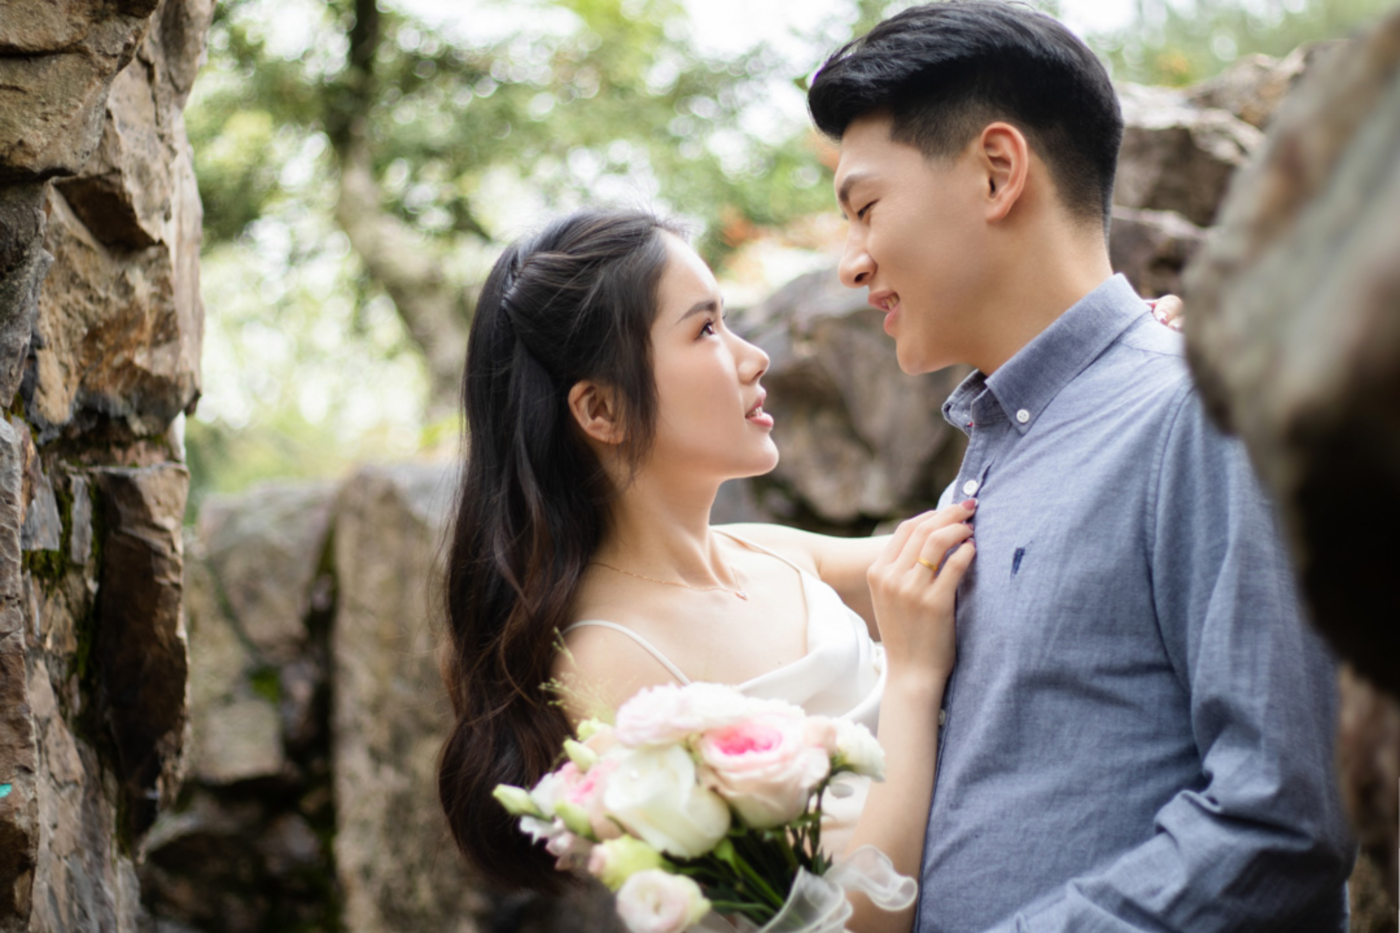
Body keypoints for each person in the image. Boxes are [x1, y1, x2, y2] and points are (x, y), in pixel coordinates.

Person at [805, 3, 1355, 932]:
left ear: (997, 171)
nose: (851, 264)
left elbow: (1280, 818)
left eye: (865, 209)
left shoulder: (1203, 409)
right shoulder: (986, 458)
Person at [436, 209, 975, 933]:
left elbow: (966, 550)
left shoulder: (766, 550)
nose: (756, 358)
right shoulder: (608, 662)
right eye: (707, 329)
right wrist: (912, 677)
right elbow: (848, 923)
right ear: (602, 409)